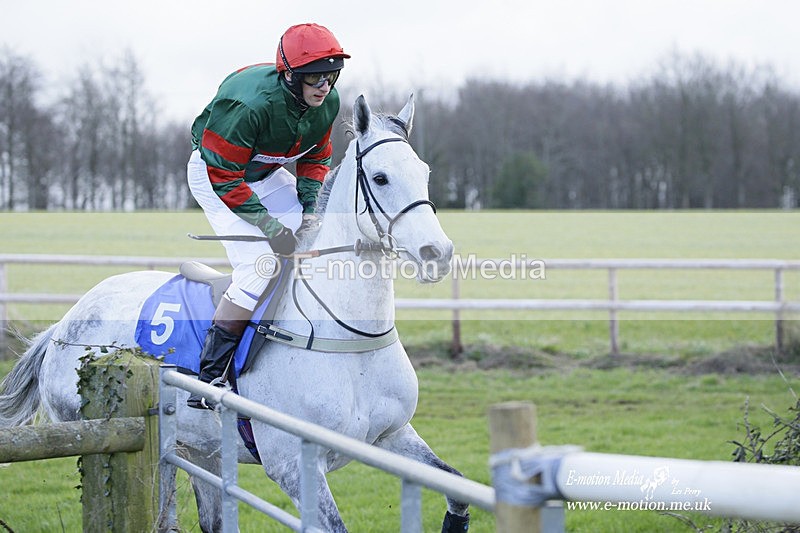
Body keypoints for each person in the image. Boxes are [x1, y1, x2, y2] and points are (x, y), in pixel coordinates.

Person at [186, 23, 349, 409]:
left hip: (263, 172)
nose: (324, 86)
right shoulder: (248, 105)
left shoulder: (326, 102)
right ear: (290, 75)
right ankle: (207, 379)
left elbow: (315, 158)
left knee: (317, 240)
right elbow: (224, 178)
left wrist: (310, 211)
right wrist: (271, 228)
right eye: (315, 76)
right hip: (217, 175)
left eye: (330, 75)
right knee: (259, 265)